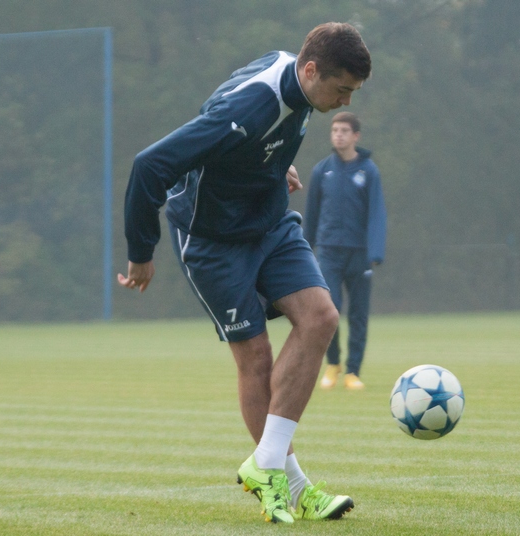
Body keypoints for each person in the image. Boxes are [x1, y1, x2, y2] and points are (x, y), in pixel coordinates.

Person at [118, 22, 371, 524]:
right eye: (342, 89)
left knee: (320, 317)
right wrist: (141, 251)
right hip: (211, 240)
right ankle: (291, 486)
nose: (345, 101)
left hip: (269, 223)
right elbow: (150, 166)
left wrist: (269, 166)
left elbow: (256, 131)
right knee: (255, 357)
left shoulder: (298, 80)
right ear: (311, 69)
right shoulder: (249, 108)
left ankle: (267, 466)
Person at [304, 112, 386, 390]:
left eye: (344, 131)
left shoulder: (368, 171)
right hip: (328, 252)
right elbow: (311, 214)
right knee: (329, 311)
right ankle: (333, 363)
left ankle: (353, 371)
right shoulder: (322, 170)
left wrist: (375, 251)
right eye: (335, 130)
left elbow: (377, 213)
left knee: (359, 315)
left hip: (359, 254)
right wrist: (304, 249)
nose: (338, 135)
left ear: (355, 136)